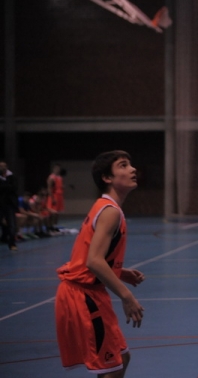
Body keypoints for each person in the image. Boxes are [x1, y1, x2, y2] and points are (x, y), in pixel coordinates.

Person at [55, 151, 145, 377]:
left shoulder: (106, 207)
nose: (132, 169)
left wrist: (119, 272)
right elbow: (94, 261)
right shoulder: (110, 212)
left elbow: (89, 255)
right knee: (111, 369)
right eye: (123, 165)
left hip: (90, 291)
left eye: (130, 164)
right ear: (107, 178)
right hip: (83, 295)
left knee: (121, 358)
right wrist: (127, 296)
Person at [0, 161, 19, 251]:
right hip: (0, 204)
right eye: (1, 166)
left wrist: (4, 186)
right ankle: (3, 237)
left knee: (12, 225)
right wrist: (7, 186)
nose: (2, 168)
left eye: (4, 166)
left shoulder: (12, 177)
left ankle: (12, 243)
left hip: (9, 204)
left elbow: (14, 188)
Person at [47, 163, 65, 231]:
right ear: (54, 169)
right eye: (56, 168)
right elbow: (49, 188)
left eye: (59, 169)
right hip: (54, 196)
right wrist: (52, 198)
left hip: (59, 196)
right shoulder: (51, 177)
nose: (58, 170)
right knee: (52, 213)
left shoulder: (60, 177)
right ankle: (50, 226)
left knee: (57, 213)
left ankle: (54, 226)